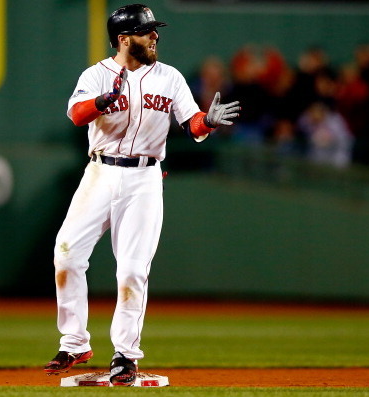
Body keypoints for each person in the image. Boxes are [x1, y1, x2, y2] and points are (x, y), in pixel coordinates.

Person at [43, 3, 240, 387]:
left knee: (133, 269)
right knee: (65, 252)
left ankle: (126, 356)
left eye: (154, 30)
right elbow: (76, 114)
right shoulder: (96, 74)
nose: (155, 36)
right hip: (100, 172)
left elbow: (192, 123)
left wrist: (209, 122)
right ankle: (74, 342)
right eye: (147, 31)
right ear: (124, 39)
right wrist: (101, 101)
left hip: (144, 179)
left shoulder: (169, 78)